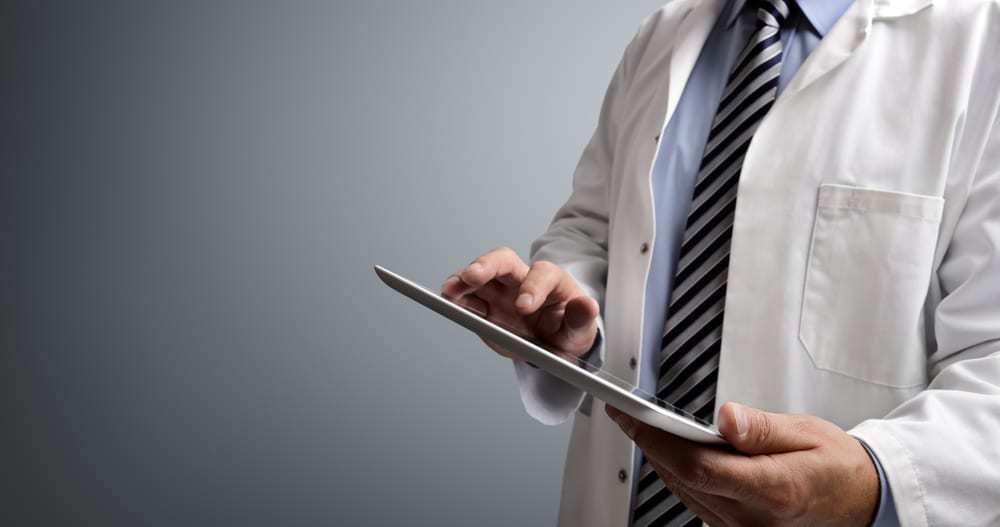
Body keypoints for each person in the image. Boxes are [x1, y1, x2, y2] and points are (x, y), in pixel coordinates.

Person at [441, 0, 1000, 525]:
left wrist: (875, 483)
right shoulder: (665, 33)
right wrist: (568, 315)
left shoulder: (981, 43)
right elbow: (591, 226)